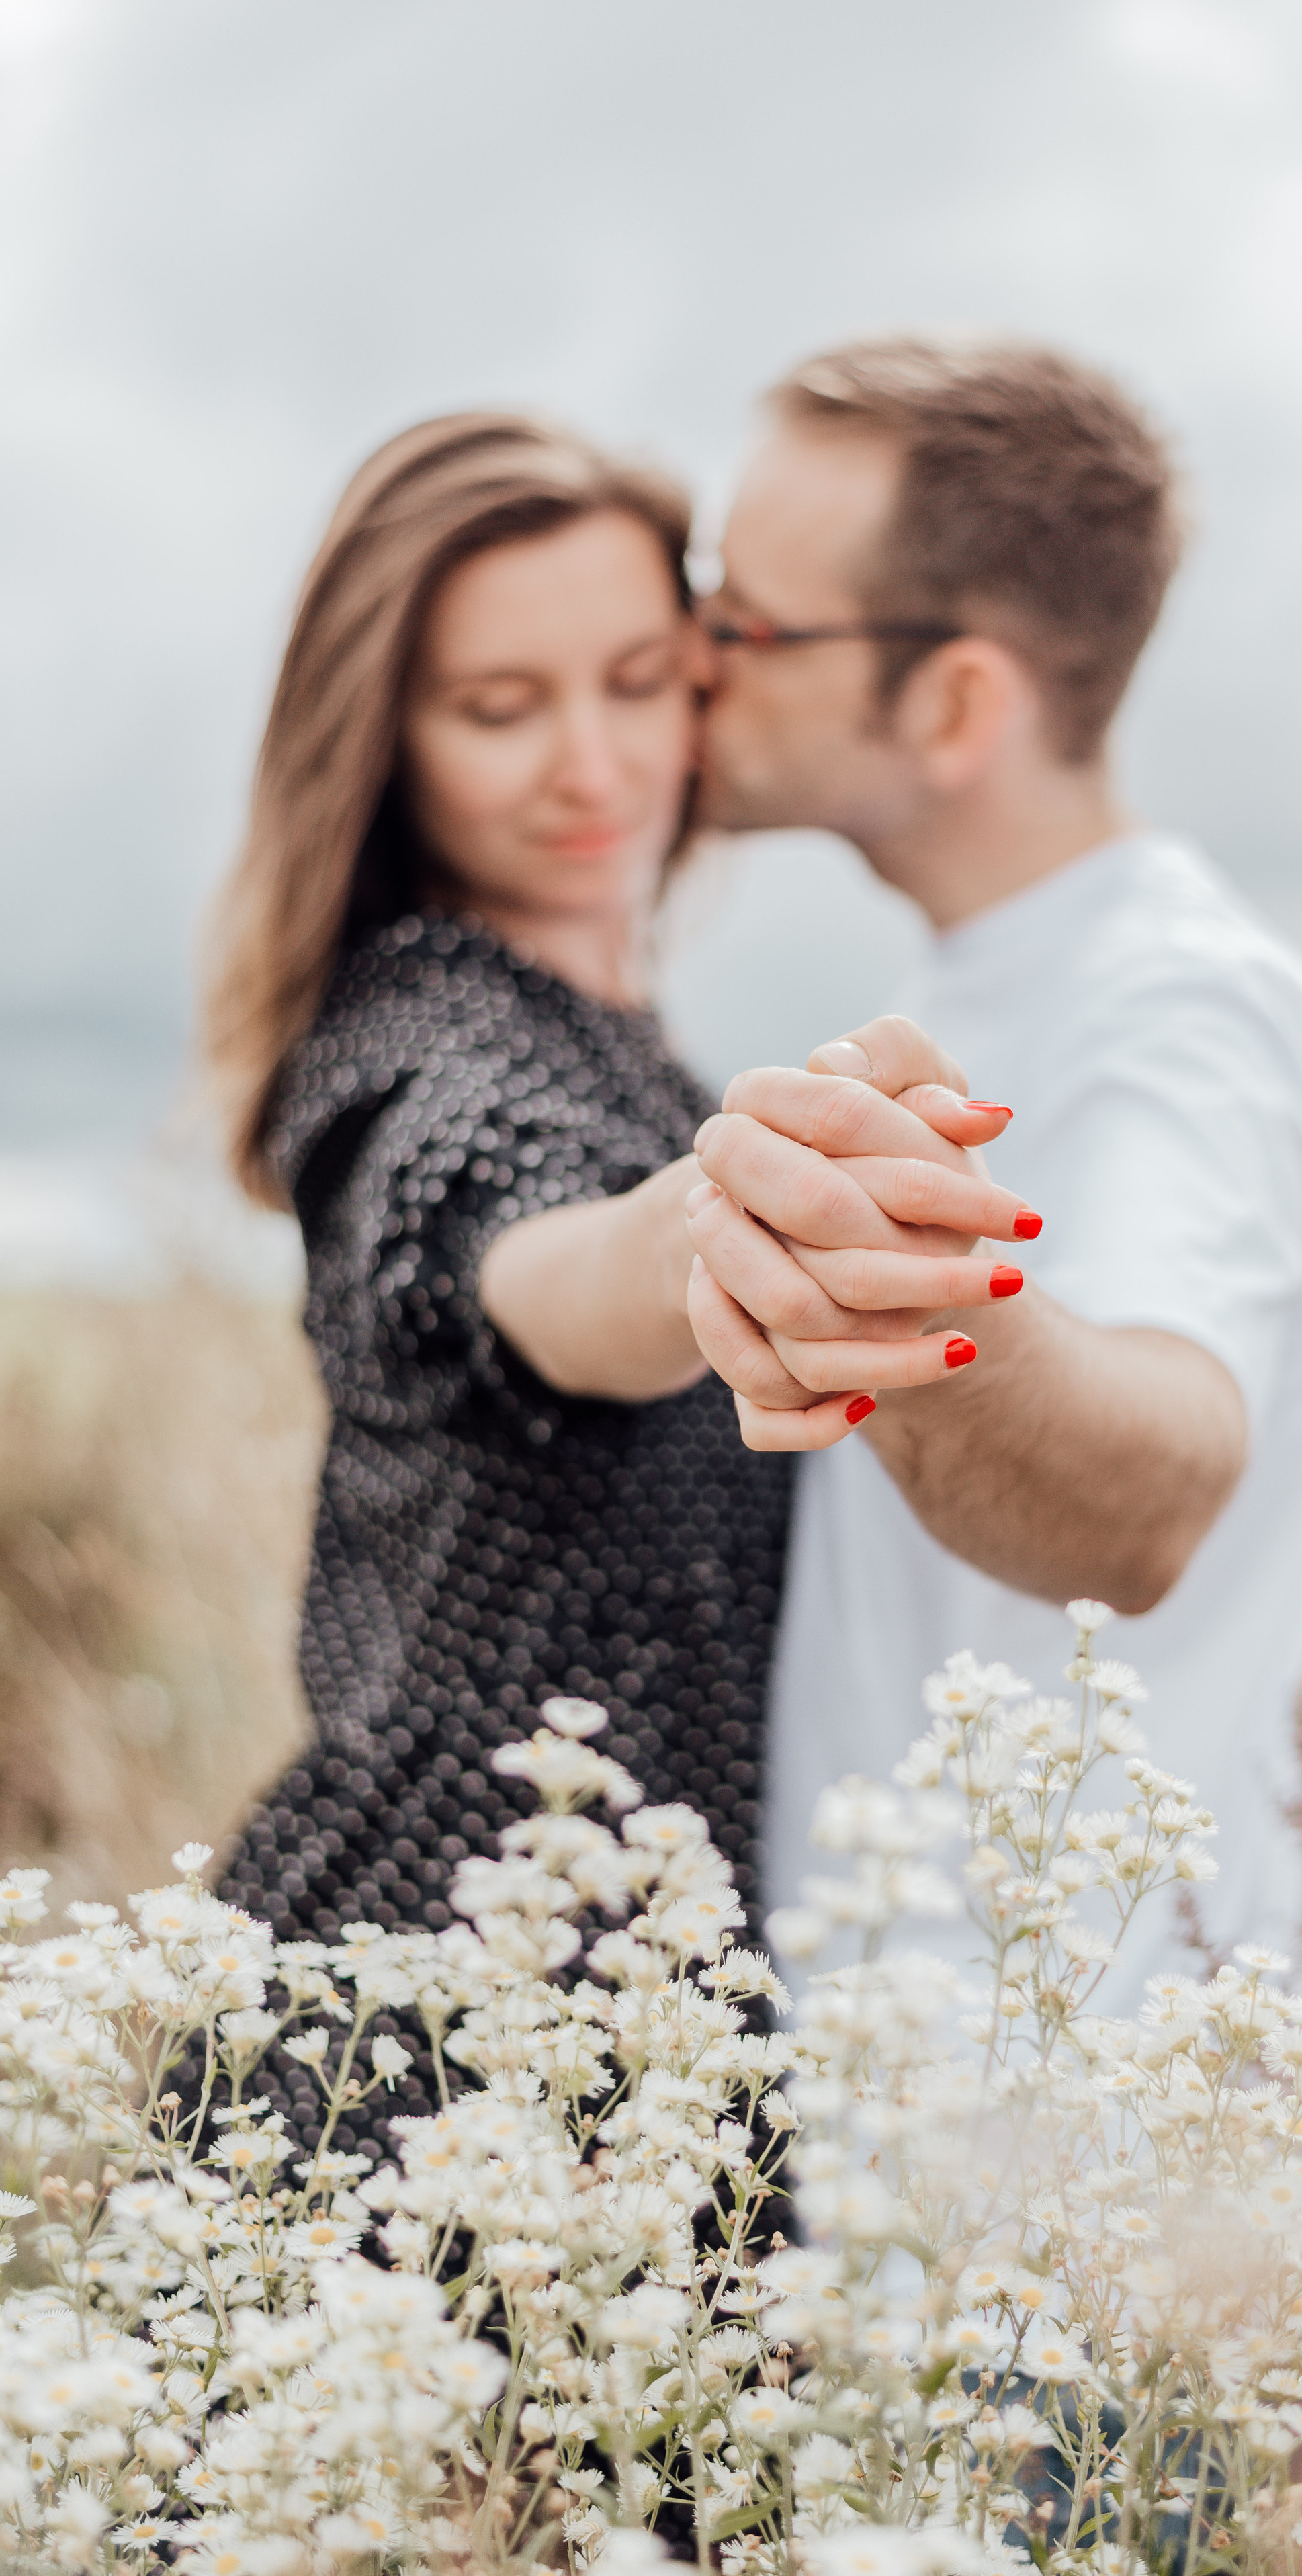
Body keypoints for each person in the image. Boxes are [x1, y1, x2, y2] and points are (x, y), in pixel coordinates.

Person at [202, 411, 1027, 2159]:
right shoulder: (409, 1045)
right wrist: (710, 1231)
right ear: (389, 737)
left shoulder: (630, 1047)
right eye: (500, 708)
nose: (591, 762)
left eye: (640, 679)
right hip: (429, 2021)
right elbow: (532, 1252)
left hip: (646, 2015)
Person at [681, 339, 1302, 1993]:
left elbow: (1149, 1488)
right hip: (924, 2094)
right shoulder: (994, 980)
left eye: (745, 623)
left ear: (951, 705)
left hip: (1073, 2137)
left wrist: (909, 1299)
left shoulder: (1179, 1008)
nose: (692, 661)